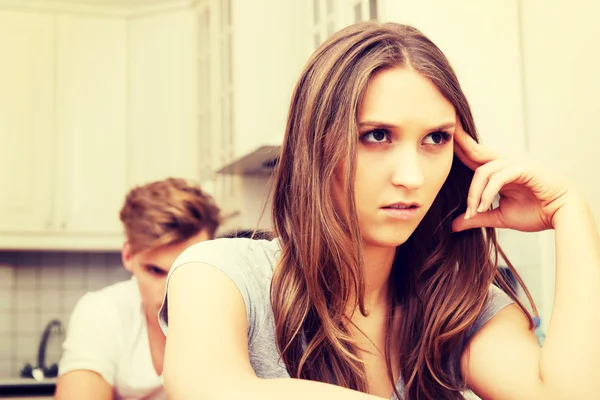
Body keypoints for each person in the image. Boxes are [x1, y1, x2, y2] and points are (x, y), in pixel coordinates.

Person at [159, 22, 600, 399]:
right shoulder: (220, 275)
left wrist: (571, 213)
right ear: (315, 145)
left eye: (435, 139)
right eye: (376, 135)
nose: (411, 176)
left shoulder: (458, 304)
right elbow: (212, 390)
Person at [55, 178, 221, 400]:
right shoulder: (101, 312)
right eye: (155, 271)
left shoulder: (233, 313)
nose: (170, 293)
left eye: (186, 270)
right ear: (128, 256)